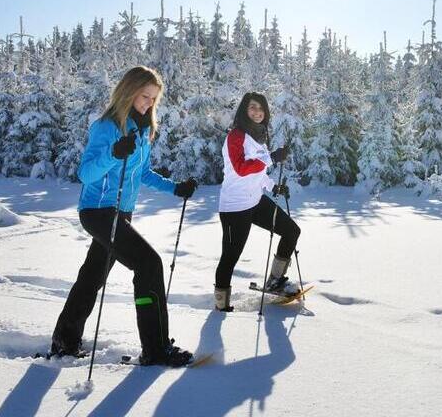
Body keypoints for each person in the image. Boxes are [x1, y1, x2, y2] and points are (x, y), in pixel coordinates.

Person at [51, 66, 198, 367]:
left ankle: (65, 340)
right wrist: (113, 153)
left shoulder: (142, 131)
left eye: (153, 99)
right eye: (144, 96)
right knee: (149, 264)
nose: (148, 103)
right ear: (128, 91)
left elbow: (142, 173)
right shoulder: (106, 127)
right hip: (98, 211)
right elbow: (86, 173)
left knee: (92, 275)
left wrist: (175, 188)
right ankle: (156, 348)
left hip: (122, 212)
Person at [214, 92, 300, 312]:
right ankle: (221, 305)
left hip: (255, 201)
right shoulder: (236, 136)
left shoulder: (259, 136)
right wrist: (271, 158)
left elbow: (257, 172)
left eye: (261, 108)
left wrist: (273, 186)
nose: (257, 112)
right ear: (244, 109)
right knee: (230, 256)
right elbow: (241, 169)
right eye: (252, 107)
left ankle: (275, 281)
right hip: (235, 206)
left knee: (291, 231)